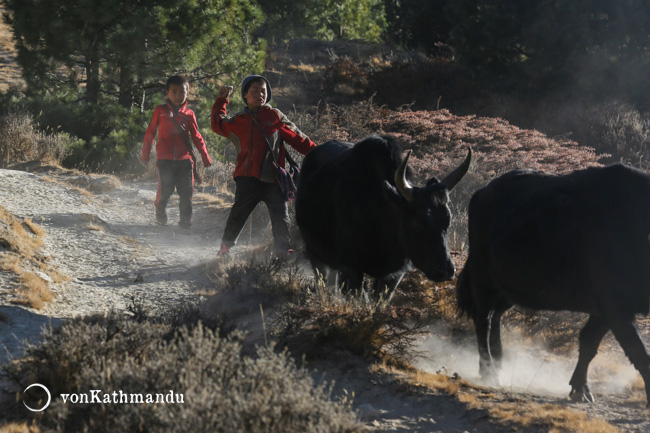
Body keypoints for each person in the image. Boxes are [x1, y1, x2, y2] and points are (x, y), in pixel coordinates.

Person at [211, 75, 316, 256]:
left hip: (273, 179)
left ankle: (284, 252)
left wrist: (320, 153)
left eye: (263, 91)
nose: (260, 94)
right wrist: (221, 100)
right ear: (245, 95)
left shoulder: (274, 116)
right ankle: (225, 248)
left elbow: (299, 138)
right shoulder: (239, 120)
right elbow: (218, 123)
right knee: (238, 215)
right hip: (246, 179)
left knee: (281, 217)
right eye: (255, 90)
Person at [142, 75, 212, 229]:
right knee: (166, 190)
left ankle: (185, 223)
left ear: (187, 93)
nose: (178, 95)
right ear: (167, 92)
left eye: (182, 92)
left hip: (185, 160)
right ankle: (160, 210)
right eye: (174, 92)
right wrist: (145, 154)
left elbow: (197, 137)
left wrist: (205, 157)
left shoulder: (189, 114)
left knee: (186, 193)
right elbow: (151, 132)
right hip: (165, 159)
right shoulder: (160, 111)